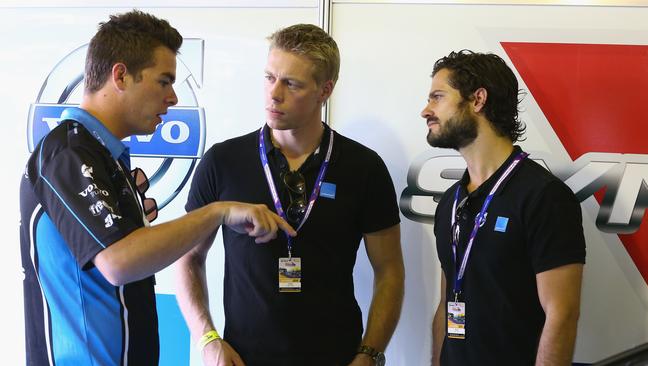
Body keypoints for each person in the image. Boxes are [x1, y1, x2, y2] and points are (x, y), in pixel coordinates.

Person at [19, 10, 293, 366]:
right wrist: (218, 211)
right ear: (120, 76)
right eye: (164, 81)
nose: (173, 98)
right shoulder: (68, 154)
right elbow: (119, 262)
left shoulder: (104, 156)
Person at [175, 24, 405, 366]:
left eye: (291, 84)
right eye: (269, 77)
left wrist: (370, 353)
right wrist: (207, 339)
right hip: (244, 358)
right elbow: (187, 258)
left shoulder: (364, 167)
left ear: (324, 90)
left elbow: (389, 270)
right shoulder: (223, 161)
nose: (274, 94)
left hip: (337, 357)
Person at [423, 50, 586, 366]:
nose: (426, 110)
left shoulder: (544, 196)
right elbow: (446, 302)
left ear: (477, 100)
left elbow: (562, 315)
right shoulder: (450, 203)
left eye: (437, 97)